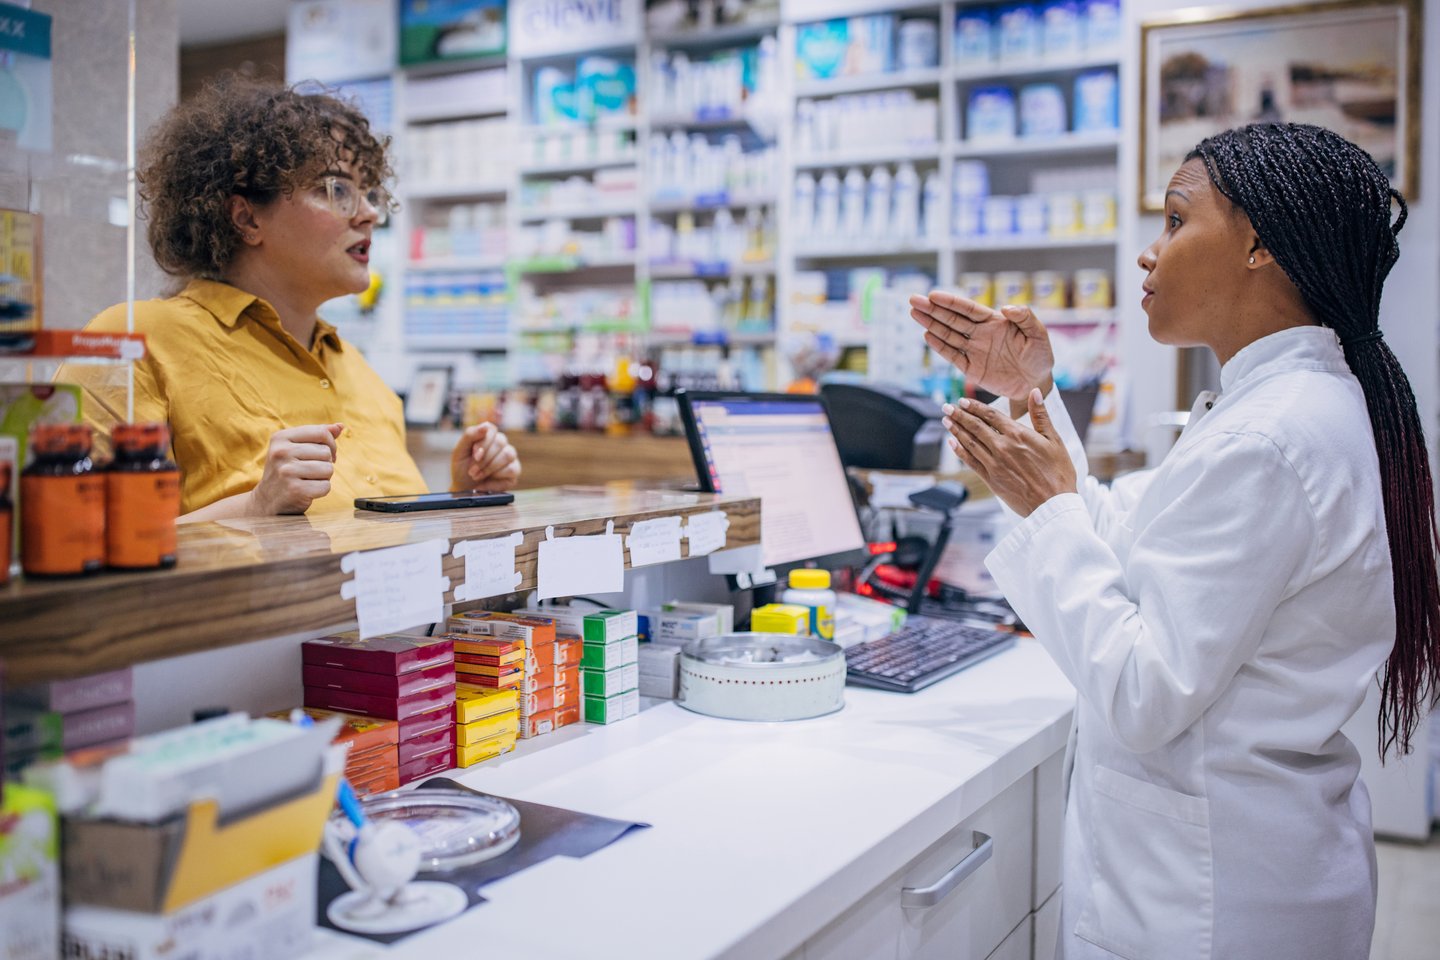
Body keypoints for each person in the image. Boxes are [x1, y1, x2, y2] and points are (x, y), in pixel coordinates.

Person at [911, 122, 1439, 960]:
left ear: (1259, 244)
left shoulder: (1270, 438)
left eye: (1174, 219)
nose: (1148, 255)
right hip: (1250, 872)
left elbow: (1143, 690)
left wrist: (1046, 513)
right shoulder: (1280, 410)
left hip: (1212, 905)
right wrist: (1031, 394)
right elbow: (1141, 542)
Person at [66, 76, 519, 520]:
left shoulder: (363, 376)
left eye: (370, 192)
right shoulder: (133, 341)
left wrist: (463, 497)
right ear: (246, 219)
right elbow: (79, 543)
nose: (369, 213)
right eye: (336, 189)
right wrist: (254, 505)